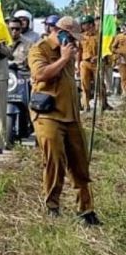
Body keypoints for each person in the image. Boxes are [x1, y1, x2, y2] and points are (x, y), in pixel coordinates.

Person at [29, 16, 101, 226]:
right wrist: (62, 58)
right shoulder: (40, 49)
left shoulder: (69, 50)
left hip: (70, 114)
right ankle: (52, 206)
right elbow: (40, 74)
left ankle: (86, 210)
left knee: (80, 163)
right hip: (48, 114)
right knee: (55, 160)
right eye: (71, 37)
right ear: (61, 32)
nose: (74, 42)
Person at [78, 15, 108, 112]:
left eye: (85, 24)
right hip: (84, 63)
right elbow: (79, 52)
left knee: (99, 84)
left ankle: (103, 105)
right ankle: (86, 106)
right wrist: (78, 65)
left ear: (91, 24)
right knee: (84, 85)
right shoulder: (82, 37)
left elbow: (105, 50)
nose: (83, 26)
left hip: (97, 63)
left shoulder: (100, 36)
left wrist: (98, 57)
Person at [110, 24, 126, 95]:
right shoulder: (119, 36)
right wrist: (119, 51)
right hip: (122, 60)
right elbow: (112, 48)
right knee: (124, 78)